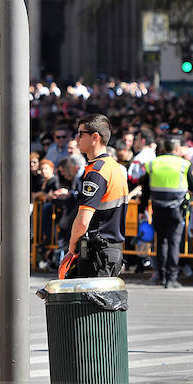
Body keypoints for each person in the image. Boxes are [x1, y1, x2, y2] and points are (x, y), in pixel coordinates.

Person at [62, 113, 129, 278]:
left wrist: (71, 249)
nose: (77, 138)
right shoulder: (114, 167)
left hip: (97, 253)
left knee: (86, 303)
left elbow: (84, 219)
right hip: (110, 251)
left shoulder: (97, 172)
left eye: (80, 134)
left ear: (95, 137)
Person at [145, 136, 191, 288]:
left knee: (162, 242)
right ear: (177, 149)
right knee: (174, 242)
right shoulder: (184, 164)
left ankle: (163, 276)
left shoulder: (153, 164)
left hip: (158, 208)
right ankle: (172, 278)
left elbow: (145, 189)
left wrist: (141, 208)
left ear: (164, 149)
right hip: (177, 210)